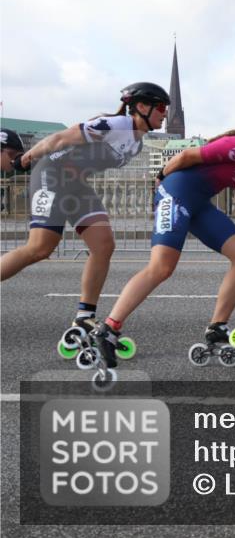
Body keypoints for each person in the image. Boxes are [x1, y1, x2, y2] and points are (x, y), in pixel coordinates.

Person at [95, 108, 235, 368]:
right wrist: (159, 180)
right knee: (162, 267)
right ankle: (109, 328)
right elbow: (186, 156)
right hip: (176, 193)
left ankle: (217, 326)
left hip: (199, 203)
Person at [0, 83, 169, 345]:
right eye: (160, 107)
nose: (165, 113)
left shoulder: (136, 144)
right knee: (40, 248)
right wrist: (26, 158)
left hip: (76, 185)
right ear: (142, 107)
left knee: (103, 245)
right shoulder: (114, 125)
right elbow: (60, 139)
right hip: (51, 175)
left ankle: (84, 315)